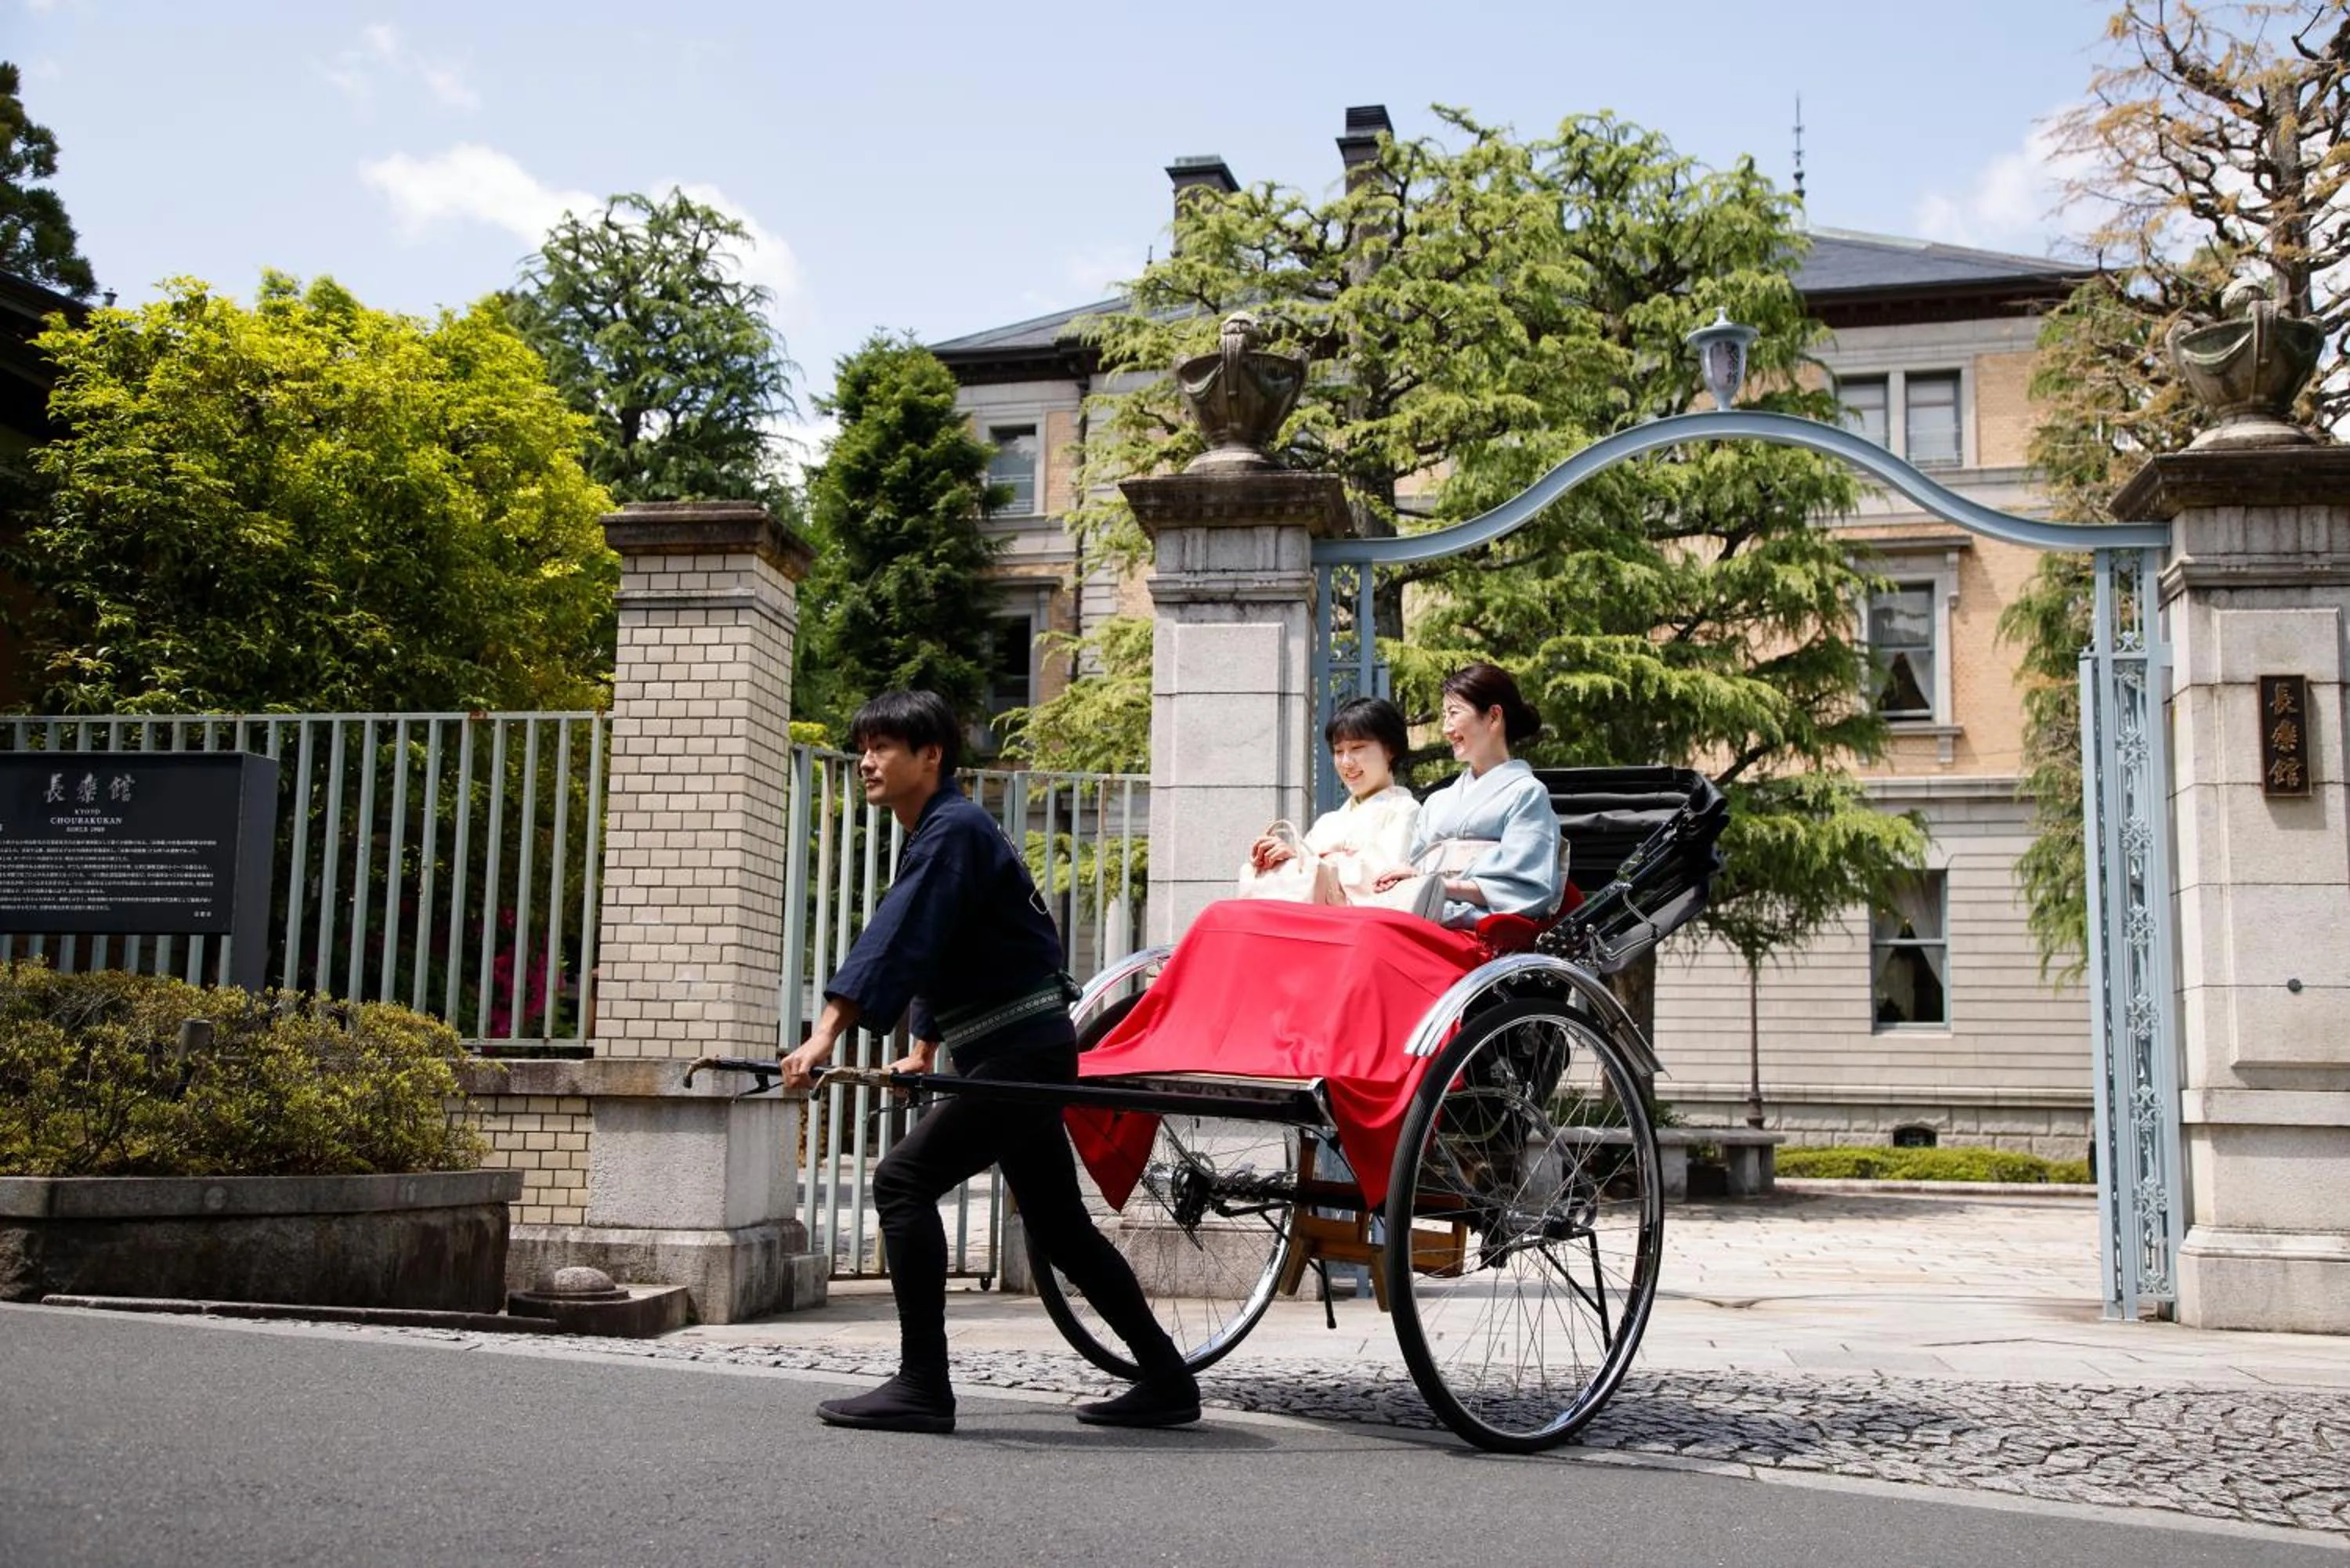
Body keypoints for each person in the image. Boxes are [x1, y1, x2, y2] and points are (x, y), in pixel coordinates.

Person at [779, 690, 1200, 1434]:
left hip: (1019, 1055)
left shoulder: (953, 829)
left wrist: (826, 1035)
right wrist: (923, 1045)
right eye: (864, 748)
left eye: (883, 747)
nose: (867, 762)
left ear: (930, 756)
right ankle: (1168, 1380)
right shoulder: (943, 832)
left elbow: (897, 934)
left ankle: (923, 1385)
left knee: (901, 1182)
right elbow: (939, 944)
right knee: (1061, 1227)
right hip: (1017, 1052)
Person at [1373, 663, 1563, 929]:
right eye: (1444, 716)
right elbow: (1415, 871)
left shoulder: (1526, 793)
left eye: (1454, 713)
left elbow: (1526, 888)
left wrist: (1440, 885)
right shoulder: (1436, 802)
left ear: (1494, 716)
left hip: (1478, 931)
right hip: (1424, 918)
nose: (1446, 728)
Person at [1246, 696, 1419, 902]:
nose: (1346, 762)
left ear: (1390, 749)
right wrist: (1281, 857)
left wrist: (1315, 862)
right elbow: (1301, 880)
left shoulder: (1405, 810)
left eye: (1357, 748)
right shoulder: (1327, 822)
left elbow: (1382, 879)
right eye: (1338, 751)